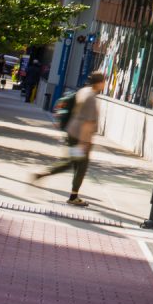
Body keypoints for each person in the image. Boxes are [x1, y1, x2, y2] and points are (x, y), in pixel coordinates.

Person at [31, 72, 104, 206]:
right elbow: (87, 123)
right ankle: (73, 196)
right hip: (81, 137)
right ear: (98, 83)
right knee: (80, 166)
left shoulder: (83, 91)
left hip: (72, 131)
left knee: (71, 162)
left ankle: (43, 175)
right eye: (103, 81)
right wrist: (84, 143)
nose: (104, 84)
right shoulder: (91, 98)